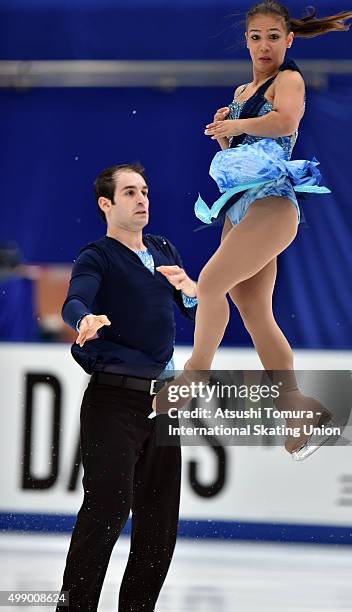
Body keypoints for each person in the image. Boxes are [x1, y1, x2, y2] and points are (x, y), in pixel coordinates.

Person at [153, 1, 352, 460]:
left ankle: (195, 372)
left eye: (272, 36)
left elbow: (285, 122)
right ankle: (298, 407)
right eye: (255, 36)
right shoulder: (243, 89)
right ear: (246, 41)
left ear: (288, 40)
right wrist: (226, 133)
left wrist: (239, 121)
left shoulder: (289, 80)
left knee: (209, 284)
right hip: (238, 208)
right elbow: (240, 150)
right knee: (254, 312)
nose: (264, 45)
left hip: (272, 205)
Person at [56, 162, 197, 611]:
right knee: (107, 511)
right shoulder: (96, 255)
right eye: (130, 192)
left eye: (145, 191)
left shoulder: (163, 248)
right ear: (107, 204)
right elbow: (75, 297)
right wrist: (85, 318)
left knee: (159, 525)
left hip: (163, 405)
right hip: (114, 400)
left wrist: (192, 290)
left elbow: (190, 305)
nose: (142, 200)